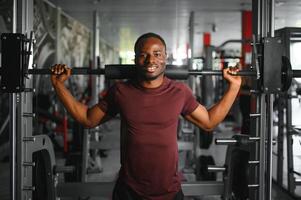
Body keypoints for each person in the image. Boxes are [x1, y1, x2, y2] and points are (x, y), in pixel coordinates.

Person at [50, 32, 242, 200]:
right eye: (144, 55)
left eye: (157, 54)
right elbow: (87, 119)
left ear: (165, 57)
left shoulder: (180, 92)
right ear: (135, 59)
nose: (151, 61)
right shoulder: (121, 92)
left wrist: (234, 87)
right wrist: (59, 86)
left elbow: (208, 122)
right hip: (129, 192)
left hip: (169, 192)